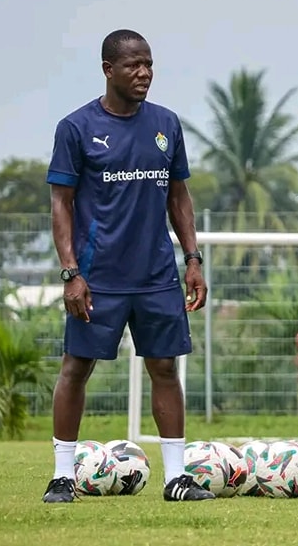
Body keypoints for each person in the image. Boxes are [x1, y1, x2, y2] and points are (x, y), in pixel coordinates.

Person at [42, 29, 213, 503]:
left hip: (157, 275)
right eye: (133, 65)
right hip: (98, 278)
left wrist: (192, 258)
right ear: (108, 70)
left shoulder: (165, 124)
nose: (144, 73)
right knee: (77, 368)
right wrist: (71, 272)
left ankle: (176, 478)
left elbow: (179, 195)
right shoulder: (75, 128)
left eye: (149, 64)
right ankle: (62, 476)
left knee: (165, 368)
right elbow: (61, 205)